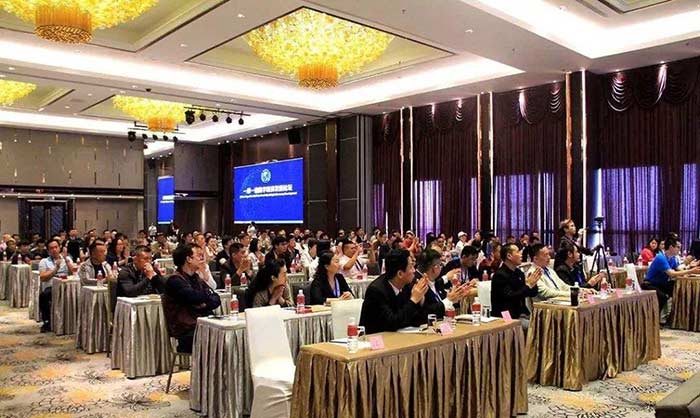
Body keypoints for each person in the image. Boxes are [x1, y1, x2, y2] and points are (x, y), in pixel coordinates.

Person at [162, 243, 221, 353]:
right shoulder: (175, 280)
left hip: (202, 324)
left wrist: (204, 302)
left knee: (224, 335)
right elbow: (194, 297)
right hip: (186, 330)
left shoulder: (196, 278)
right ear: (188, 259)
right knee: (219, 339)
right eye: (199, 255)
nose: (202, 258)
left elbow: (216, 299)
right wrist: (206, 298)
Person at [359, 249, 428, 334]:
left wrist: (420, 300)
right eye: (411, 267)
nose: (414, 270)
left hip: (400, 336)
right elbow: (392, 323)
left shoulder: (407, 285)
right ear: (400, 274)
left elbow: (417, 320)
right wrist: (413, 300)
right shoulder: (376, 291)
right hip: (376, 338)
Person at [644, 237, 700, 318]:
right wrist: (691, 271)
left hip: (662, 284)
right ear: (671, 247)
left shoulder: (672, 258)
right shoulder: (661, 257)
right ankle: (657, 318)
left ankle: (678, 316)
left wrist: (689, 267)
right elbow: (672, 274)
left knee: (680, 290)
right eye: (678, 247)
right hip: (650, 284)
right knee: (663, 297)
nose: (679, 250)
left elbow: (679, 269)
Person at [412, 249, 474, 320]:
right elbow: (425, 313)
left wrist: (456, 294)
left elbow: (444, 302)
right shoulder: (418, 285)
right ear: (434, 268)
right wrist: (449, 300)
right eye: (440, 265)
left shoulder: (433, 282)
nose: (441, 267)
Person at [491, 244, 540, 330]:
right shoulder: (500, 275)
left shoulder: (519, 273)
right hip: (507, 315)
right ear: (509, 256)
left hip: (522, 313)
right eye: (518, 252)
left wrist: (533, 283)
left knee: (544, 323)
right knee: (535, 328)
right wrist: (528, 285)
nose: (521, 254)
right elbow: (511, 296)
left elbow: (532, 294)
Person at [38, 239, 74, 332]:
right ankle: (47, 322)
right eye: (51, 248)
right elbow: (43, 277)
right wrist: (56, 268)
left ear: (59, 248)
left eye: (56, 247)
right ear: (48, 250)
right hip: (52, 287)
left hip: (68, 286)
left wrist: (66, 260)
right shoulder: (44, 261)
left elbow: (73, 272)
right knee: (43, 295)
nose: (54, 250)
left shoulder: (67, 259)